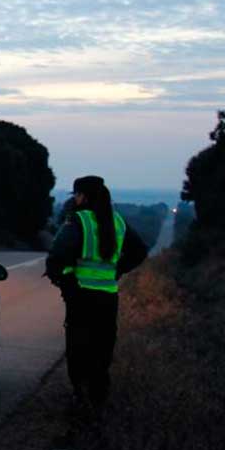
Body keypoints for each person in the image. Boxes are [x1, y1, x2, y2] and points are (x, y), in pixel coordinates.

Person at [45, 175, 148, 411]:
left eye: (77, 195)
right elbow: (139, 251)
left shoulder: (78, 221)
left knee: (78, 347)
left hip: (81, 297)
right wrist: (118, 270)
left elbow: (57, 254)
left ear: (84, 196)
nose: (75, 199)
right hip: (108, 297)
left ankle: (80, 397)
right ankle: (98, 400)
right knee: (102, 348)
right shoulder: (118, 221)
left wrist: (63, 281)